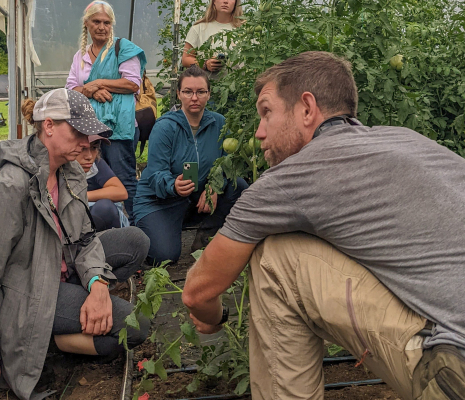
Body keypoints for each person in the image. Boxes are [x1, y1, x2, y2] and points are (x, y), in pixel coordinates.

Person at [182, 52, 465, 400]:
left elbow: (198, 291)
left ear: (306, 108)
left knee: (275, 255)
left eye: (267, 112)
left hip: (456, 364)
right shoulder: (407, 140)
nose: (259, 132)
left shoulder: (290, 179)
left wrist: (216, 317)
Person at [0, 89, 150, 400]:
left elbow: (85, 238)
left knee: (136, 240)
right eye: (78, 131)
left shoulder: (69, 172)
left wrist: (97, 284)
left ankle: (63, 321)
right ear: (49, 126)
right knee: (133, 328)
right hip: (30, 290)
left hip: (62, 268)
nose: (86, 142)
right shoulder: (8, 189)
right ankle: (43, 340)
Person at [134, 65, 248, 265]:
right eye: (188, 92)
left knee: (238, 185)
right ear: (179, 94)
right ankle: (149, 229)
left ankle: (205, 236)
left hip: (194, 198)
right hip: (160, 201)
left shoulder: (219, 123)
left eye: (200, 92)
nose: (194, 98)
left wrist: (215, 184)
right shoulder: (165, 127)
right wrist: (173, 185)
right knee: (164, 257)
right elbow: (154, 174)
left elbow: (227, 163)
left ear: (209, 94)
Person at [66, 0, 146, 225]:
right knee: (93, 176)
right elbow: (70, 89)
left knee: (125, 179)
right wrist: (90, 92)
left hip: (118, 128)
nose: (102, 27)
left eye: (107, 23)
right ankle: (99, 224)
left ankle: (136, 229)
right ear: (87, 24)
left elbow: (132, 84)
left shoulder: (123, 48)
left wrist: (98, 83)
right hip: (88, 130)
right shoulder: (79, 56)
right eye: (97, 22)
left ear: (112, 25)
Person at [76, 135, 130, 231]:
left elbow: (121, 192)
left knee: (105, 208)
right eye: (82, 148)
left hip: (93, 220)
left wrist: (80, 195)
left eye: (94, 148)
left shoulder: (95, 163)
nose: (89, 156)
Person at [181, 0, 243, 79]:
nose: (225, 1)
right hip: (208, 86)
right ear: (214, 1)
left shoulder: (245, 29)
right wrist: (205, 64)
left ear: (236, 2)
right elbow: (186, 59)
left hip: (240, 87)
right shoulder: (199, 28)